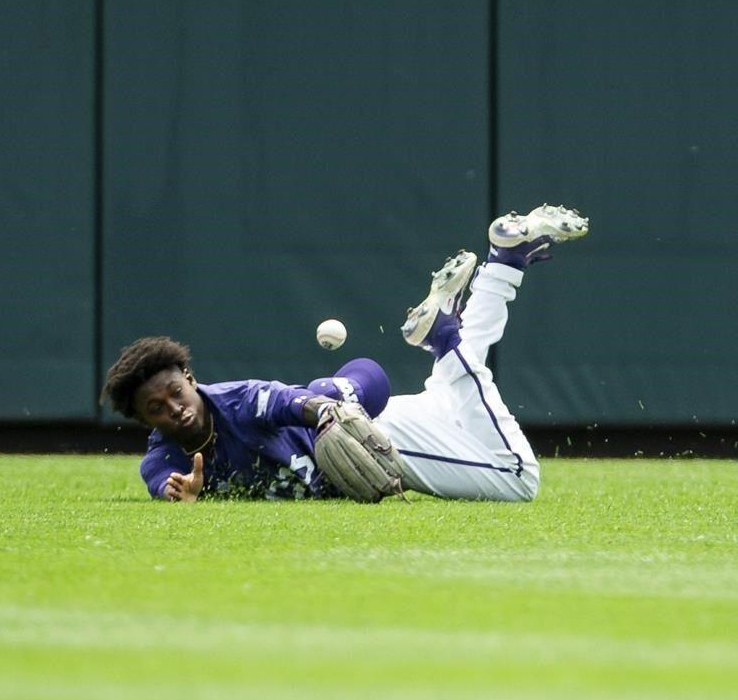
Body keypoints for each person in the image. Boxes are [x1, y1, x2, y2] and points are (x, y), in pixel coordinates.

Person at [102, 204, 589, 502]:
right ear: (146, 422)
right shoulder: (162, 458)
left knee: (519, 478)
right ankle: (504, 261)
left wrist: (328, 404)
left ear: (188, 376)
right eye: (156, 409)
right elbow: (163, 482)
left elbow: (299, 398)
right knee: (449, 382)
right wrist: (179, 493)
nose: (174, 407)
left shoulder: (236, 402)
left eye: (174, 391)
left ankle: (443, 336)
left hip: (368, 439)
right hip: (385, 417)